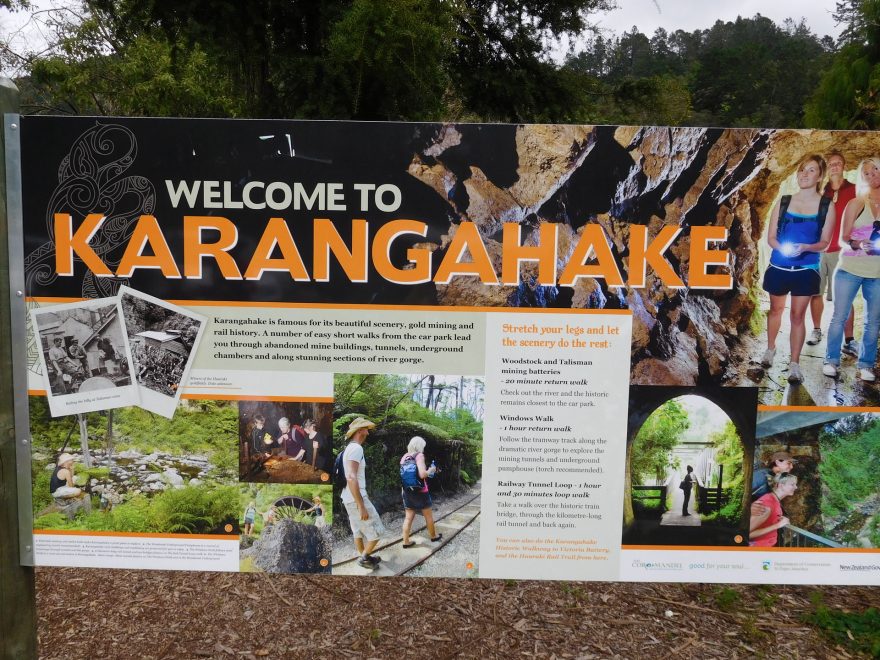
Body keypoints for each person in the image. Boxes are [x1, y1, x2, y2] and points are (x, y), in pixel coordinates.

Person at [761, 154, 835, 383]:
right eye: (802, 169)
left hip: (806, 268)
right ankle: (770, 350)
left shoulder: (826, 206)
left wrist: (805, 247)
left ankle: (794, 364)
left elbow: (825, 243)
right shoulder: (784, 202)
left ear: (820, 176)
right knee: (775, 310)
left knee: (797, 316)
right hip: (779, 265)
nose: (804, 174)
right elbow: (771, 237)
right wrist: (783, 248)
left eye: (811, 170)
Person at [824, 157, 880, 382]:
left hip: (877, 274)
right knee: (839, 316)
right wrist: (858, 244)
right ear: (862, 178)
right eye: (866, 173)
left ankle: (866, 365)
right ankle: (831, 360)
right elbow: (843, 239)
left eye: (875, 169)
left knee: (873, 321)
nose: (871, 174)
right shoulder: (857, 203)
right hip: (849, 269)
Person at [808, 151, 858, 352]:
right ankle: (816, 330)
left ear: (844, 165)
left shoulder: (855, 190)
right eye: (831, 164)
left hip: (844, 252)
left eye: (838, 163)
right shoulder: (821, 193)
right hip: (821, 250)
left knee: (845, 296)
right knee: (816, 292)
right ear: (827, 168)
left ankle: (849, 340)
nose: (834, 166)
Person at [340, 417, 385, 569]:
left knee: (357, 530)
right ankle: (364, 558)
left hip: (347, 497)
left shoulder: (348, 448)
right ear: (360, 431)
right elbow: (351, 477)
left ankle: (365, 557)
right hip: (355, 499)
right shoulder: (357, 448)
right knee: (377, 531)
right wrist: (361, 504)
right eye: (366, 428)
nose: (368, 431)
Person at [400, 436, 441, 548]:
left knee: (408, 518)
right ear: (420, 446)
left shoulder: (404, 457)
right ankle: (433, 536)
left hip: (407, 491)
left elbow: (403, 476)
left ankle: (406, 541)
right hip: (421, 491)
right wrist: (431, 470)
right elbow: (422, 474)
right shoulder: (419, 456)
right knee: (428, 516)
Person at [749, 473, 798, 547]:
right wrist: (777, 525)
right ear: (781, 485)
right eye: (792, 484)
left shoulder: (774, 500)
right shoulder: (767, 505)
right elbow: (747, 534)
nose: (796, 487)